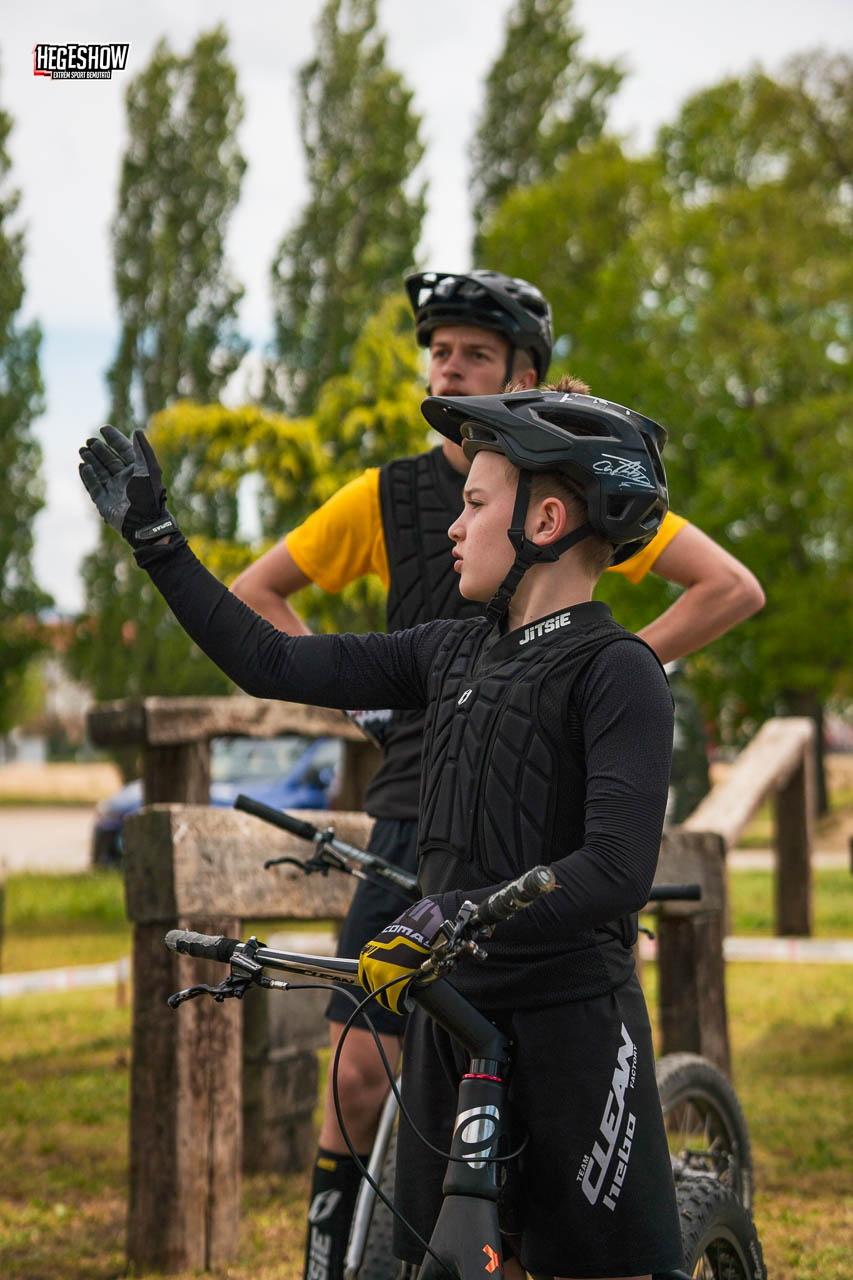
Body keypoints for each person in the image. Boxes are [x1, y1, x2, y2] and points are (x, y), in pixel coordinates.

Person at [78, 384, 686, 1278]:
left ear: (546, 520)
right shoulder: (447, 650)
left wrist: (455, 912)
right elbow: (270, 660)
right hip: (451, 1020)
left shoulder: (618, 669)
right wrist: (158, 541)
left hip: (572, 1032)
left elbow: (615, 868)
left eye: (474, 504)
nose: (454, 527)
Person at [226, 269, 762, 1280]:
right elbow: (262, 606)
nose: (449, 368)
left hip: (537, 842)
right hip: (412, 808)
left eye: (474, 354)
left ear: (525, 375)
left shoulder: (560, 474)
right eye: (438, 352)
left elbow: (728, 585)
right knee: (357, 1074)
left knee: (543, 1110)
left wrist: (591, 675)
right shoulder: (384, 495)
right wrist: (367, 710)